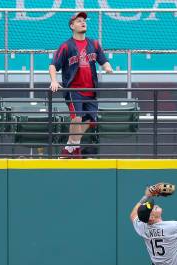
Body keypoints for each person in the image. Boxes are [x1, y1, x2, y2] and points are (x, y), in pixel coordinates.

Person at [49, 11, 113, 158]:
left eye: (84, 20)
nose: (83, 22)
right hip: (74, 89)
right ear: (72, 26)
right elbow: (53, 66)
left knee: (91, 120)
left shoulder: (94, 43)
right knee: (76, 117)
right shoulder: (66, 46)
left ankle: (71, 146)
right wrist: (54, 80)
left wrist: (107, 67)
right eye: (78, 21)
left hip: (90, 89)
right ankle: (73, 146)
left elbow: (103, 60)